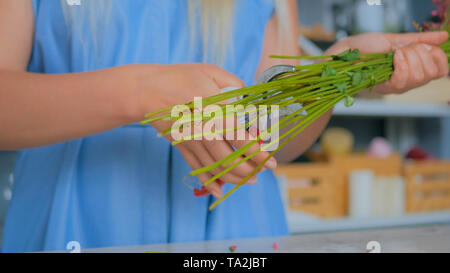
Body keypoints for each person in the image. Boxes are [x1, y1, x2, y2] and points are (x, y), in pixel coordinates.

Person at [0, 0, 448, 252]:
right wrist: (141, 92)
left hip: (237, 241)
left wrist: (337, 70)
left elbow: (275, 143)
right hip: (71, 230)